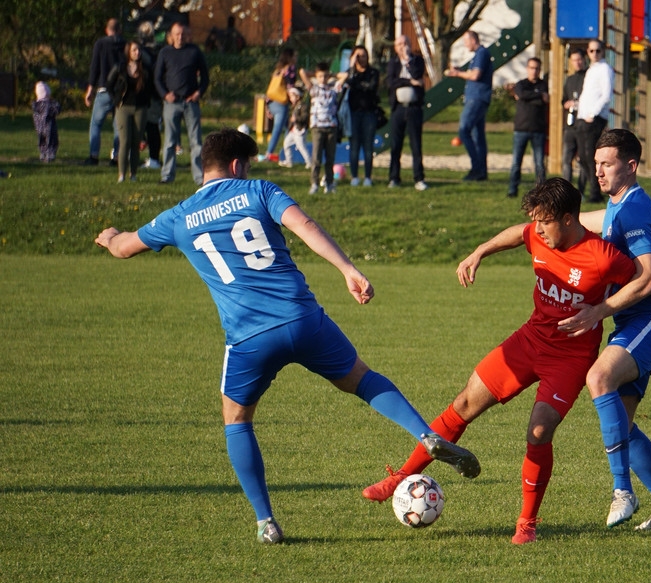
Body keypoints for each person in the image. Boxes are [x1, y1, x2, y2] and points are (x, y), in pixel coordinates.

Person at [93, 128, 479, 545]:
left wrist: (110, 237)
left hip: (248, 339)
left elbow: (124, 248)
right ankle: (425, 434)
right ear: (239, 166)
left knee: (237, 420)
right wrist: (348, 270)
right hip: (302, 319)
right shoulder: (258, 190)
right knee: (363, 380)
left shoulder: (178, 217)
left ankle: (266, 522)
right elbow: (305, 225)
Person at [362, 178, 640, 544]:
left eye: (545, 221)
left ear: (570, 219)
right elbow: (517, 233)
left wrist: (605, 310)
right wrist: (480, 251)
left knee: (539, 432)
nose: (537, 230)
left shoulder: (602, 256)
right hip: (528, 341)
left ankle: (526, 524)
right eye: (535, 221)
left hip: (570, 358)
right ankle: (401, 476)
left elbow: (643, 280)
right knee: (462, 404)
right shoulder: (539, 235)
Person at [564, 129, 651, 530]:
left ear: (631, 166)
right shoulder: (618, 206)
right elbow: (586, 224)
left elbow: (649, 279)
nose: (598, 171)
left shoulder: (635, 210)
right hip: (638, 320)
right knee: (620, 421)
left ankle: (623, 490)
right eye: (596, 163)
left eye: (607, 163)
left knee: (599, 377)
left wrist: (597, 311)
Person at [154, 23, 209, 185]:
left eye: (183, 34)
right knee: (170, 142)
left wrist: (199, 92)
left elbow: (205, 76)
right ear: (171, 35)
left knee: (196, 142)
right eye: (177, 34)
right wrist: (164, 94)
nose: (180, 37)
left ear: (187, 35)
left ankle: (199, 178)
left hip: (190, 102)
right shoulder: (165, 52)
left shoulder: (194, 51)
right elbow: (157, 78)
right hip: (172, 103)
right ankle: (167, 176)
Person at [446, 31, 493, 182]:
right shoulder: (479, 55)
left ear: (473, 40)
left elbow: (475, 75)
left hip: (477, 99)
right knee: (478, 136)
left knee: (464, 130)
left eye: (466, 41)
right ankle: (482, 172)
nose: (465, 45)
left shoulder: (481, 53)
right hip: (478, 99)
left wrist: (457, 74)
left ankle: (476, 168)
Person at [107, 41, 154, 183]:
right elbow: (109, 84)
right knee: (124, 141)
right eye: (134, 50)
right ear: (128, 52)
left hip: (140, 108)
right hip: (123, 108)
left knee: (136, 142)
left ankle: (133, 174)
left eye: (139, 50)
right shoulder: (120, 67)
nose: (137, 53)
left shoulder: (145, 69)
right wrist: (116, 100)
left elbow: (150, 87)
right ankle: (121, 174)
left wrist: (147, 101)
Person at [386, 34, 428, 191]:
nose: (402, 46)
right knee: (396, 145)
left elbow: (418, 75)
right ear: (395, 48)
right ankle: (394, 178)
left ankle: (419, 178)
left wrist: (408, 61)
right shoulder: (393, 63)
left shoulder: (417, 61)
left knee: (416, 145)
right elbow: (391, 82)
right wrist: (409, 82)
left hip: (414, 108)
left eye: (405, 43)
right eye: (399, 44)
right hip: (398, 108)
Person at [577, 39, 614, 203]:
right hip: (583, 116)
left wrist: (593, 113)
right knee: (583, 156)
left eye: (597, 50)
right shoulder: (591, 69)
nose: (594, 54)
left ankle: (595, 192)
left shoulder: (605, 69)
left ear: (603, 51)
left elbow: (606, 95)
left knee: (591, 155)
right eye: (591, 51)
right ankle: (595, 188)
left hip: (594, 117)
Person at [83, 18, 124, 166]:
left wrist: (90, 89)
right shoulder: (125, 44)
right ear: (119, 30)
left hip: (104, 89)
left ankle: (94, 156)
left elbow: (95, 67)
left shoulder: (101, 44)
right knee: (118, 126)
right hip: (120, 90)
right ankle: (116, 157)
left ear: (107, 30)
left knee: (96, 124)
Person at [338, 46, 380, 187]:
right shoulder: (350, 73)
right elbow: (347, 82)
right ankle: (354, 176)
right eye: (358, 56)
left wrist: (357, 84)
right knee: (354, 145)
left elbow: (371, 88)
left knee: (368, 147)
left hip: (369, 113)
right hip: (353, 114)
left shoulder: (373, 72)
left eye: (363, 55)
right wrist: (351, 68)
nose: (361, 58)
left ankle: (368, 176)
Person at [507, 57, 548, 199]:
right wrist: (538, 96)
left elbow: (535, 98)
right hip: (521, 129)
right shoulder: (521, 84)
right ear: (527, 68)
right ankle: (512, 189)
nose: (534, 71)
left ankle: (542, 193)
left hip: (538, 129)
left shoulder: (544, 85)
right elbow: (522, 94)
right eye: (531, 68)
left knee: (539, 164)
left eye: (537, 68)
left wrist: (530, 97)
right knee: (516, 162)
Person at [299, 61, 341, 195]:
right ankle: (314, 183)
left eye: (325, 76)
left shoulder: (333, 88)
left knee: (330, 158)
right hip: (317, 127)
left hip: (331, 126)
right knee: (316, 158)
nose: (323, 79)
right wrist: (315, 73)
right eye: (320, 76)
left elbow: (345, 75)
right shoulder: (313, 89)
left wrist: (332, 74)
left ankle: (329, 183)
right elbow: (302, 72)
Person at [261, 47, 297, 163]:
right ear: (290, 57)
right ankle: (270, 153)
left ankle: (287, 152)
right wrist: (295, 99)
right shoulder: (290, 69)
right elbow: (290, 86)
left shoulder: (277, 70)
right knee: (279, 128)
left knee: (288, 126)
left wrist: (267, 107)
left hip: (272, 102)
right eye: (295, 55)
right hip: (281, 103)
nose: (296, 58)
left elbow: (270, 89)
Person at [137, 21, 163, 171]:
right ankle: (153, 158)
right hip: (155, 94)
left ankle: (153, 158)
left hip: (147, 94)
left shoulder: (143, 53)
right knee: (152, 126)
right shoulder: (158, 50)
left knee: (150, 127)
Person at [561, 48, 587, 189]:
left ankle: (581, 190)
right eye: (574, 60)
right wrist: (568, 103)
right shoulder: (570, 80)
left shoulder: (589, 77)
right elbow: (563, 100)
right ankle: (566, 190)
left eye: (579, 60)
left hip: (583, 125)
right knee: (566, 159)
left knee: (583, 160)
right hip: (570, 125)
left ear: (584, 60)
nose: (577, 63)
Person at [280, 87, 310, 168]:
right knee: (286, 144)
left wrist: (296, 119)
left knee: (301, 146)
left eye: (292, 96)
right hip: (293, 130)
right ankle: (289, 162)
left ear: (297, 96)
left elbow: (305, 117)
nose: (290, 98)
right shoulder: (294, 106)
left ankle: (309, 161)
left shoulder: (303, 106)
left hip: (300, 130)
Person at [32, 81, 60, 162]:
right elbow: (56, 110)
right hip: (49, 127)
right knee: (52, 140)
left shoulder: (36, 106)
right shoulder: (49, 105)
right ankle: (50, 154)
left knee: (42, 141)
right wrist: (56, 104)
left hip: (39, 128)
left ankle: (42, 153)